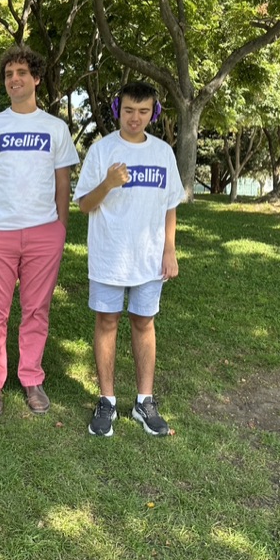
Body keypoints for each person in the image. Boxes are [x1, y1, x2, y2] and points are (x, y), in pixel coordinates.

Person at [0, 45, 79, 417]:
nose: (14, 79)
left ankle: (32, 377)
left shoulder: (55, 127)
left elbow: (62, 182)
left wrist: (59, 229)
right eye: (8, 74)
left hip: (43, 233)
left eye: (21, 72)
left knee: (36, 309)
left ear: (35, 78)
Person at [73, 81, 184, 437]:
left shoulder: (164, 153)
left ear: (154, 113)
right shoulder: (102, 151)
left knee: (144, 323)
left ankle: (144, 401)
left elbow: (170, 207)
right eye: (129, 111)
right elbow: (83, 205)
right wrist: (107, 184)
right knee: (107, 322)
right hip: (109, 255)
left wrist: (170, 249)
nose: (135, 118)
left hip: (150, 259)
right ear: (118, 110)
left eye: (143, 111)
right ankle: (106, 401)